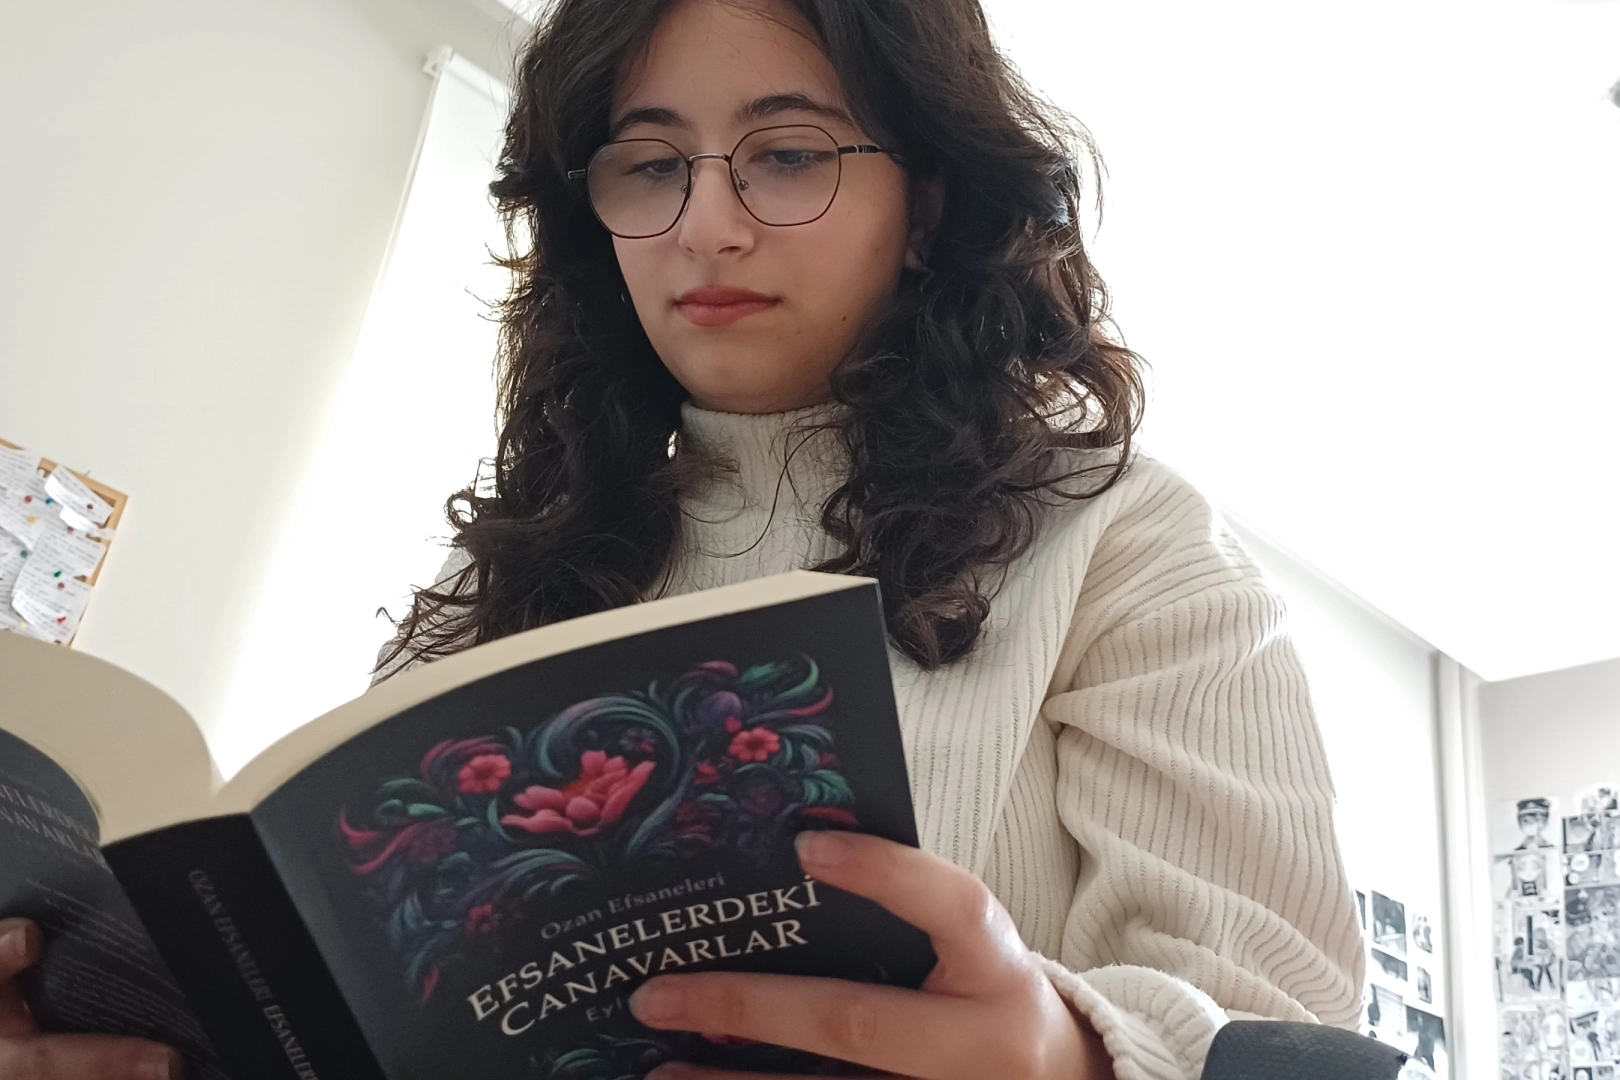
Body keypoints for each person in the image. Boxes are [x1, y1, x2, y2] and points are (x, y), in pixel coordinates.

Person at [0, 0, 1364, 1076]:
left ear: (930, 200)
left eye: (789, 154)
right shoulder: (498, 579)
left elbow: (1278, 1020)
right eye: (651, 166)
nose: (704, 225)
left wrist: (1074, 1058)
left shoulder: (1120, 536)